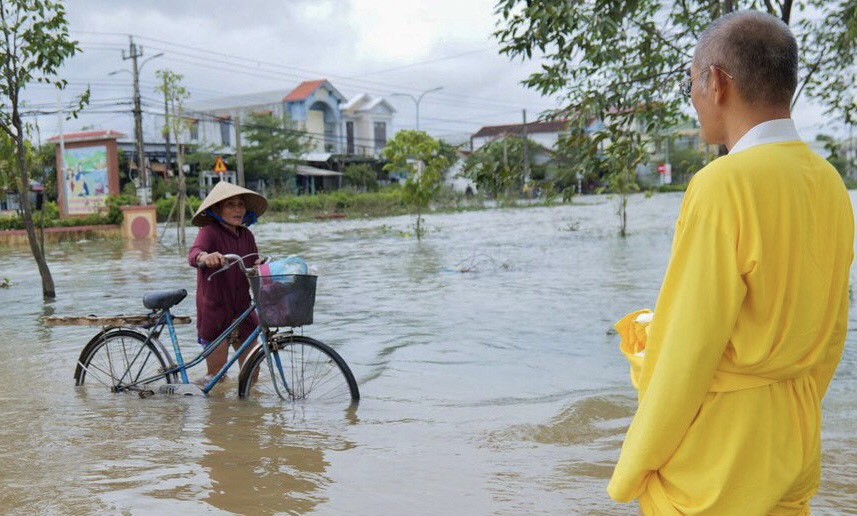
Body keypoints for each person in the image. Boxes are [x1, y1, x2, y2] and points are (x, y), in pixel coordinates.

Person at [608, 10, 854, 514]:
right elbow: (832, 332)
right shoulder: (829, 181)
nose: (695, 99)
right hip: (794, 439)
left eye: (692, 83)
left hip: (719, 460)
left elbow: (687, 351)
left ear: (716, 82)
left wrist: (635, 464)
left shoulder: (722, 184)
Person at [188, 181, 268, 382]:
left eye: (241, 204)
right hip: (216, 309)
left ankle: (247, 412)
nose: (238, 209)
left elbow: (251, 266)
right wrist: (204, 257)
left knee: (253, 374)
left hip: (243, 308)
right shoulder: (209, 231)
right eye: (230, 205)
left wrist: (259, 265)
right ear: (217, 209)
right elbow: (194, 253)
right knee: (217, 379)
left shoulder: (246, 235)